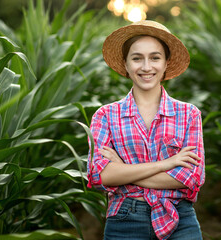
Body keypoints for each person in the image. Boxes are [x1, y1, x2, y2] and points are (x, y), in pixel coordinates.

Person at [87, 20, 205, 240]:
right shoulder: (105, 116)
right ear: (125, 64)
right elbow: (100, 175)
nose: (146, 67)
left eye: (155, 57)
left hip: (180, 219)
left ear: (166, 63)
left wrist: (122, 170)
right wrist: (166, 164)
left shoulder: (189, 114)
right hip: (124, 220)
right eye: (137, 58)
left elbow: (191, 177)